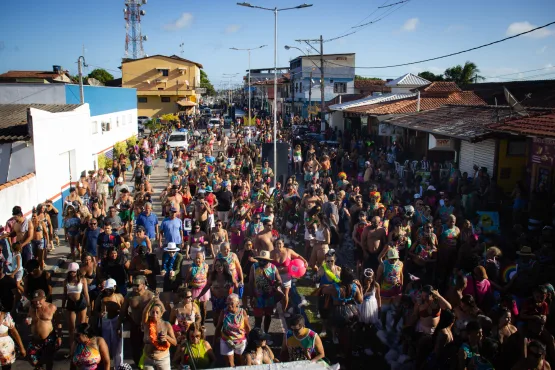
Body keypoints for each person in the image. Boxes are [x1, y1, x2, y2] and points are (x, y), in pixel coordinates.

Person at [118, 275, 154, 367]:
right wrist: (119, 325)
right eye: (133, 285)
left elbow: (159, 310)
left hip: (147, 326)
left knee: (147, 347)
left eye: (137, 285)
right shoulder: (130, 296)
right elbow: (123, 311)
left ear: (143, 285)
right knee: (135, 348)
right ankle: (138, 365)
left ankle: (145, 365)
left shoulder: (150, 295)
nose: (134, 287)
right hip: (135, 325)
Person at [26, 289, 63, 370]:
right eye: (35, 301)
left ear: (45, 298)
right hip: (35, 340)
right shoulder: (31, 308)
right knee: (32, 358)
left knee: (48, 360)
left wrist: (59, 336)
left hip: (49, 339)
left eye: (39, 300)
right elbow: (28, 317)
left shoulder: (52, 307)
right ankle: (39, 367)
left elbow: (58, 322)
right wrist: (28, 320)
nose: (37, 303)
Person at [271, 238, 307, 317]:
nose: (279, 245)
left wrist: (304, 261)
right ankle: (274, 308)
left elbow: (298, 256)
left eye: (280, 243)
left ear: (283, 244)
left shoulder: (288, 251)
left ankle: (284, 310)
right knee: (275, 292)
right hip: (275, 276)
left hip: (286, 276)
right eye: (277, 244)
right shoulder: (272, 252)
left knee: (285, 294)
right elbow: (266, 261)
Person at [250, 250, 283, 336]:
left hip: (269, 298)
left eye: (264, 260)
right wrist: (251, 297)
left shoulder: (273, 268)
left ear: (268, 260)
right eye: (260, 260)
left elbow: (279, 280)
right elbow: (250, 283)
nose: (262, 262)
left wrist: (276, 284)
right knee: (258, 319)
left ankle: (266, 333)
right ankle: (257, 336)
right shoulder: (254, 267)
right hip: (258, 297)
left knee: (268, 316)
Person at [214, 294, 251, 367]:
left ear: (238, 303)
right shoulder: (223, 312)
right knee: (230, 364)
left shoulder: (242, 312)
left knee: (241, 362)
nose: (229, 305)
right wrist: (214, 342)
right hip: (227, 340)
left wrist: (250, 339)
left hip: (240, 341)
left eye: (231, 303)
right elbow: (218, 327)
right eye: (227, 303)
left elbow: (247, 327)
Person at [142, 300, 177, 370]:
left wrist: (166, 337)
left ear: (161, 314)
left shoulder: (166, 325)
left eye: (157, 312)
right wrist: (151, 301)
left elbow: (175, 342)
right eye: (153, 312)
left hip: (163, 359)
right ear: (150, 313)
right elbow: (144, 312)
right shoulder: (147, 323)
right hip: (149, 358)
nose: (155, 314)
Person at [97, 278, 124, 369]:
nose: (108, 291)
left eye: (110, 289)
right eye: (107, 289)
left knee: (118, 346)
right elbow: (94, 311)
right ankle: (105, 366)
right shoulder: (101, 297)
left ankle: (118, 366)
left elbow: (124, 310)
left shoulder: (119, 297)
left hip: (116, 321)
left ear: (115, 287)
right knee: (105, 345)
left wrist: (119, 312)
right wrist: (100, 314)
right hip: (105, 322)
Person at [63, 262, 90, 347]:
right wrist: (63, 305)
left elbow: (86, 293)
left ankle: (82, 346)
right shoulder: (66, 281)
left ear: (77, 271)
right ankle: (72, 347)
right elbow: (64, 294)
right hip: (71, 304)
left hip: (81, 303)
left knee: (81, 326)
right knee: (71, 327)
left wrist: (88, 305)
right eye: (71, 272)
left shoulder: (82, 280)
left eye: (74, 271)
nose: (72, 273)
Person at [184, 251, 210, 325]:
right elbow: (186, 280)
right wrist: (186, 291)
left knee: (204, 308)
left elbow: (208, 277)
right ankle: (195, 324)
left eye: (199, 258)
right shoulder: (191, 267)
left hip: (204, 291)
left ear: (203, 259)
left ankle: (202, 324)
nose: (197, 260)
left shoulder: (206, 266)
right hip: (194, 291)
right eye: (196, 258)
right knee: (195, 308)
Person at [0, 302, 26, 369]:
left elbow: (14, 331)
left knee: (6, 367)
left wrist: (22, 347)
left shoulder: (5, 315)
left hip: (6, 346)